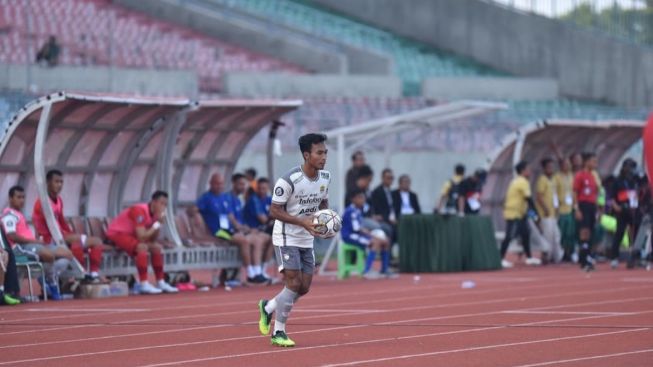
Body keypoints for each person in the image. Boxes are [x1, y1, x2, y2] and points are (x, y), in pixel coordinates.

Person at [257, 133, 331, 347]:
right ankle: (278, 332)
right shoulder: (288, 180)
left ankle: (268, 307)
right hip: (286, 236)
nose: (324, 156)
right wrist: (302, 222)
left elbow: (323, 203)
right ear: (307, 155)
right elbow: (274, 210)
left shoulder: (325, 177)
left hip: (307, 238)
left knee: (304, 287)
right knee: (293, 283)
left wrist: (327, 222)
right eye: (319, 153)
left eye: (325, 152)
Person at [2, 185, 72, 300]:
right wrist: (34, 241)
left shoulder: (19, 214)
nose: (22, 200)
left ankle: (45, 278)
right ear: (10, 198)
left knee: (67, 254)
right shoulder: (9, 215)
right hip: (21, 248)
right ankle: (50, 282)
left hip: (33, 245)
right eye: (18, 197)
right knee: (48, 255)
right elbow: (11, 236)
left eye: (23, 197)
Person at [32, 170, 104, 282]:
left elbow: (61, 221)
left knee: (94, 242)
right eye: (56, 181)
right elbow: (47, 225)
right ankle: (81, 274)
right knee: (87, 241)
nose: (59, 185)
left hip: (60, 236)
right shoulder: (42, 202)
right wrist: (67, 236)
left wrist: (69, 233)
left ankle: (91, 274)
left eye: (61, 182)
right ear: (48, 182)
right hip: (49, 239)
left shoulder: (59, 200)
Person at [197, 173, 268, 284]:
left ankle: (258, 272)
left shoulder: (224, 198)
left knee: (256, 240)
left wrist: (241, 228)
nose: (219, 186)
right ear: (210, 184)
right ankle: (250, 274)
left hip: (229, 230)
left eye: (221, 184)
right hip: (218, 231)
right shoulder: (206, 198)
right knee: (243, 240)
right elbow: (193, 210)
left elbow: (230, 216)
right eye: (217, 183)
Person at [106, 191, 178, 294]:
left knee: (156, 247)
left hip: (131, 235)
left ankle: (160, 281)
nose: (163, 207)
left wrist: (158, 224)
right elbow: (142, 236)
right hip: (117, 234)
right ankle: (143, 283)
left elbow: (152, 239)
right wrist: (156, 225)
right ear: (154, 202)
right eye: (161, 203)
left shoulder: (154, 215)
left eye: (165, 205)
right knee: (142, 247)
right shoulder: (139, 210)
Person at [499, 161, 542, 268]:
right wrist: (536, 214)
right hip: (514, 213)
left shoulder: (516, 181)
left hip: (520, 213)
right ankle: (500, 258)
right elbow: (528, 199)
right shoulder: (522, 182)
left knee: (526, 234)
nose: (530, 171)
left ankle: (529, 257)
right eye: (528, 169)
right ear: (523, 171)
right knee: (509, 235)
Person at [342, 189, 391, 279]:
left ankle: (384, 270)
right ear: (353, 199)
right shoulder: (351, 211)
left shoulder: (358, 210)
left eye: (363, 198)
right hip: (350, 236)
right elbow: (357, 229)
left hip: (358, 234)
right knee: (375, 242)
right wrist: (372, 235)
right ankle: (367, 271)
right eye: (360, 198)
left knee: (386, 242)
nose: (362, 200)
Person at [609, 158, 639, 269]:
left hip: (632, 210)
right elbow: (612, 196)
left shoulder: (634, 181)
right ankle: (614, 257)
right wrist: (615, 206)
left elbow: (636, 194)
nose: (631, 170)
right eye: (629, 167)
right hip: (621, 210)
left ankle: (633, 257)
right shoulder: (617, 181)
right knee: (619, 233)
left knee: (634, 234)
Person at [243, 177, 276, 278]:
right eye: (260, 188)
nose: (262, 191)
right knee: (263, 239)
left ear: (267, 189)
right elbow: (263, 219)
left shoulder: (269, 199)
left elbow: (276, 213)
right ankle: (257, 272)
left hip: (263, 229)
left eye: (264, 188)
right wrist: (272, 217)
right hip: (253, 230)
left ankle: (263, 270)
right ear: (256, 188)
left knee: (276, 239)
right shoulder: (254, 200)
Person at [573, 152, 600, 272]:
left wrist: (598, 208)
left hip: (591, 206)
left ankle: (587, 257)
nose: (595, 164)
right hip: (583, 205)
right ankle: (583, 259)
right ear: (586, 162)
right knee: (584, 231)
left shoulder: (593, 176)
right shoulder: (580, 175)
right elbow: (575, 192)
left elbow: (596, 193)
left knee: (590, 232)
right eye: (593, 161)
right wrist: (576, 208)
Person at [535, 158, 563, 263]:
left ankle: (556, 256)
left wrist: (556, 207)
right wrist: (545, 208)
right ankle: (545, 256)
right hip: (545, 214)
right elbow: (539, 196)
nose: (551, 169)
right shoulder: (542, 180)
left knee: (556, 235)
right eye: (549, 167)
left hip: (553, 213)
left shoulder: (553, 180)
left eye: (552, 167)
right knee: (547, 236)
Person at [554, 157, 576, 261]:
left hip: (571, 209)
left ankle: (569, 253)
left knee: (570, 233)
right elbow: (553, 193)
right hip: (561, 210)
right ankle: (561, 253)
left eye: (569, 164)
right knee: (562, 233)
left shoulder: (572, 176)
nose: (568, 166)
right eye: (565, 164)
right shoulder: (557, 177)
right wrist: (556, 207)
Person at [369, 168, 397, 239]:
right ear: (382, 178)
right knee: (388, 229)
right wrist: (388, 218)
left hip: (394, 218)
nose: (390, 180)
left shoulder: (393, 193)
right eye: (388, 178)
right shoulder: (377, 192)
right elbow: (378, 210)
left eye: (391, 178)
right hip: (384, 219)